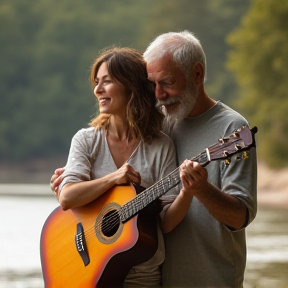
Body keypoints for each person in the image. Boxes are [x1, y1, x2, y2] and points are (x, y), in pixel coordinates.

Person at [51, 31, 257, 288]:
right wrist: (74, 180)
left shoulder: (232, 129)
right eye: (152, 85)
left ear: (197, 74)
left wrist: (199, 189)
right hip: (150, 273)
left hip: (207, 274)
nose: (158, 95)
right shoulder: (158, 122)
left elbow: (239, 217)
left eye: (167, 82)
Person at [49, 47, 183, 288]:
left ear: (132, 86)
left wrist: (190, 192)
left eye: (107, 81)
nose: (97, 89)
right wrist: (112, 179)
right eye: (96, 82)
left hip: (143, 278)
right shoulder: (86, 140)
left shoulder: (161, 146)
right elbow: (67, 197)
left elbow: (164, 222)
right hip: (92, 274)